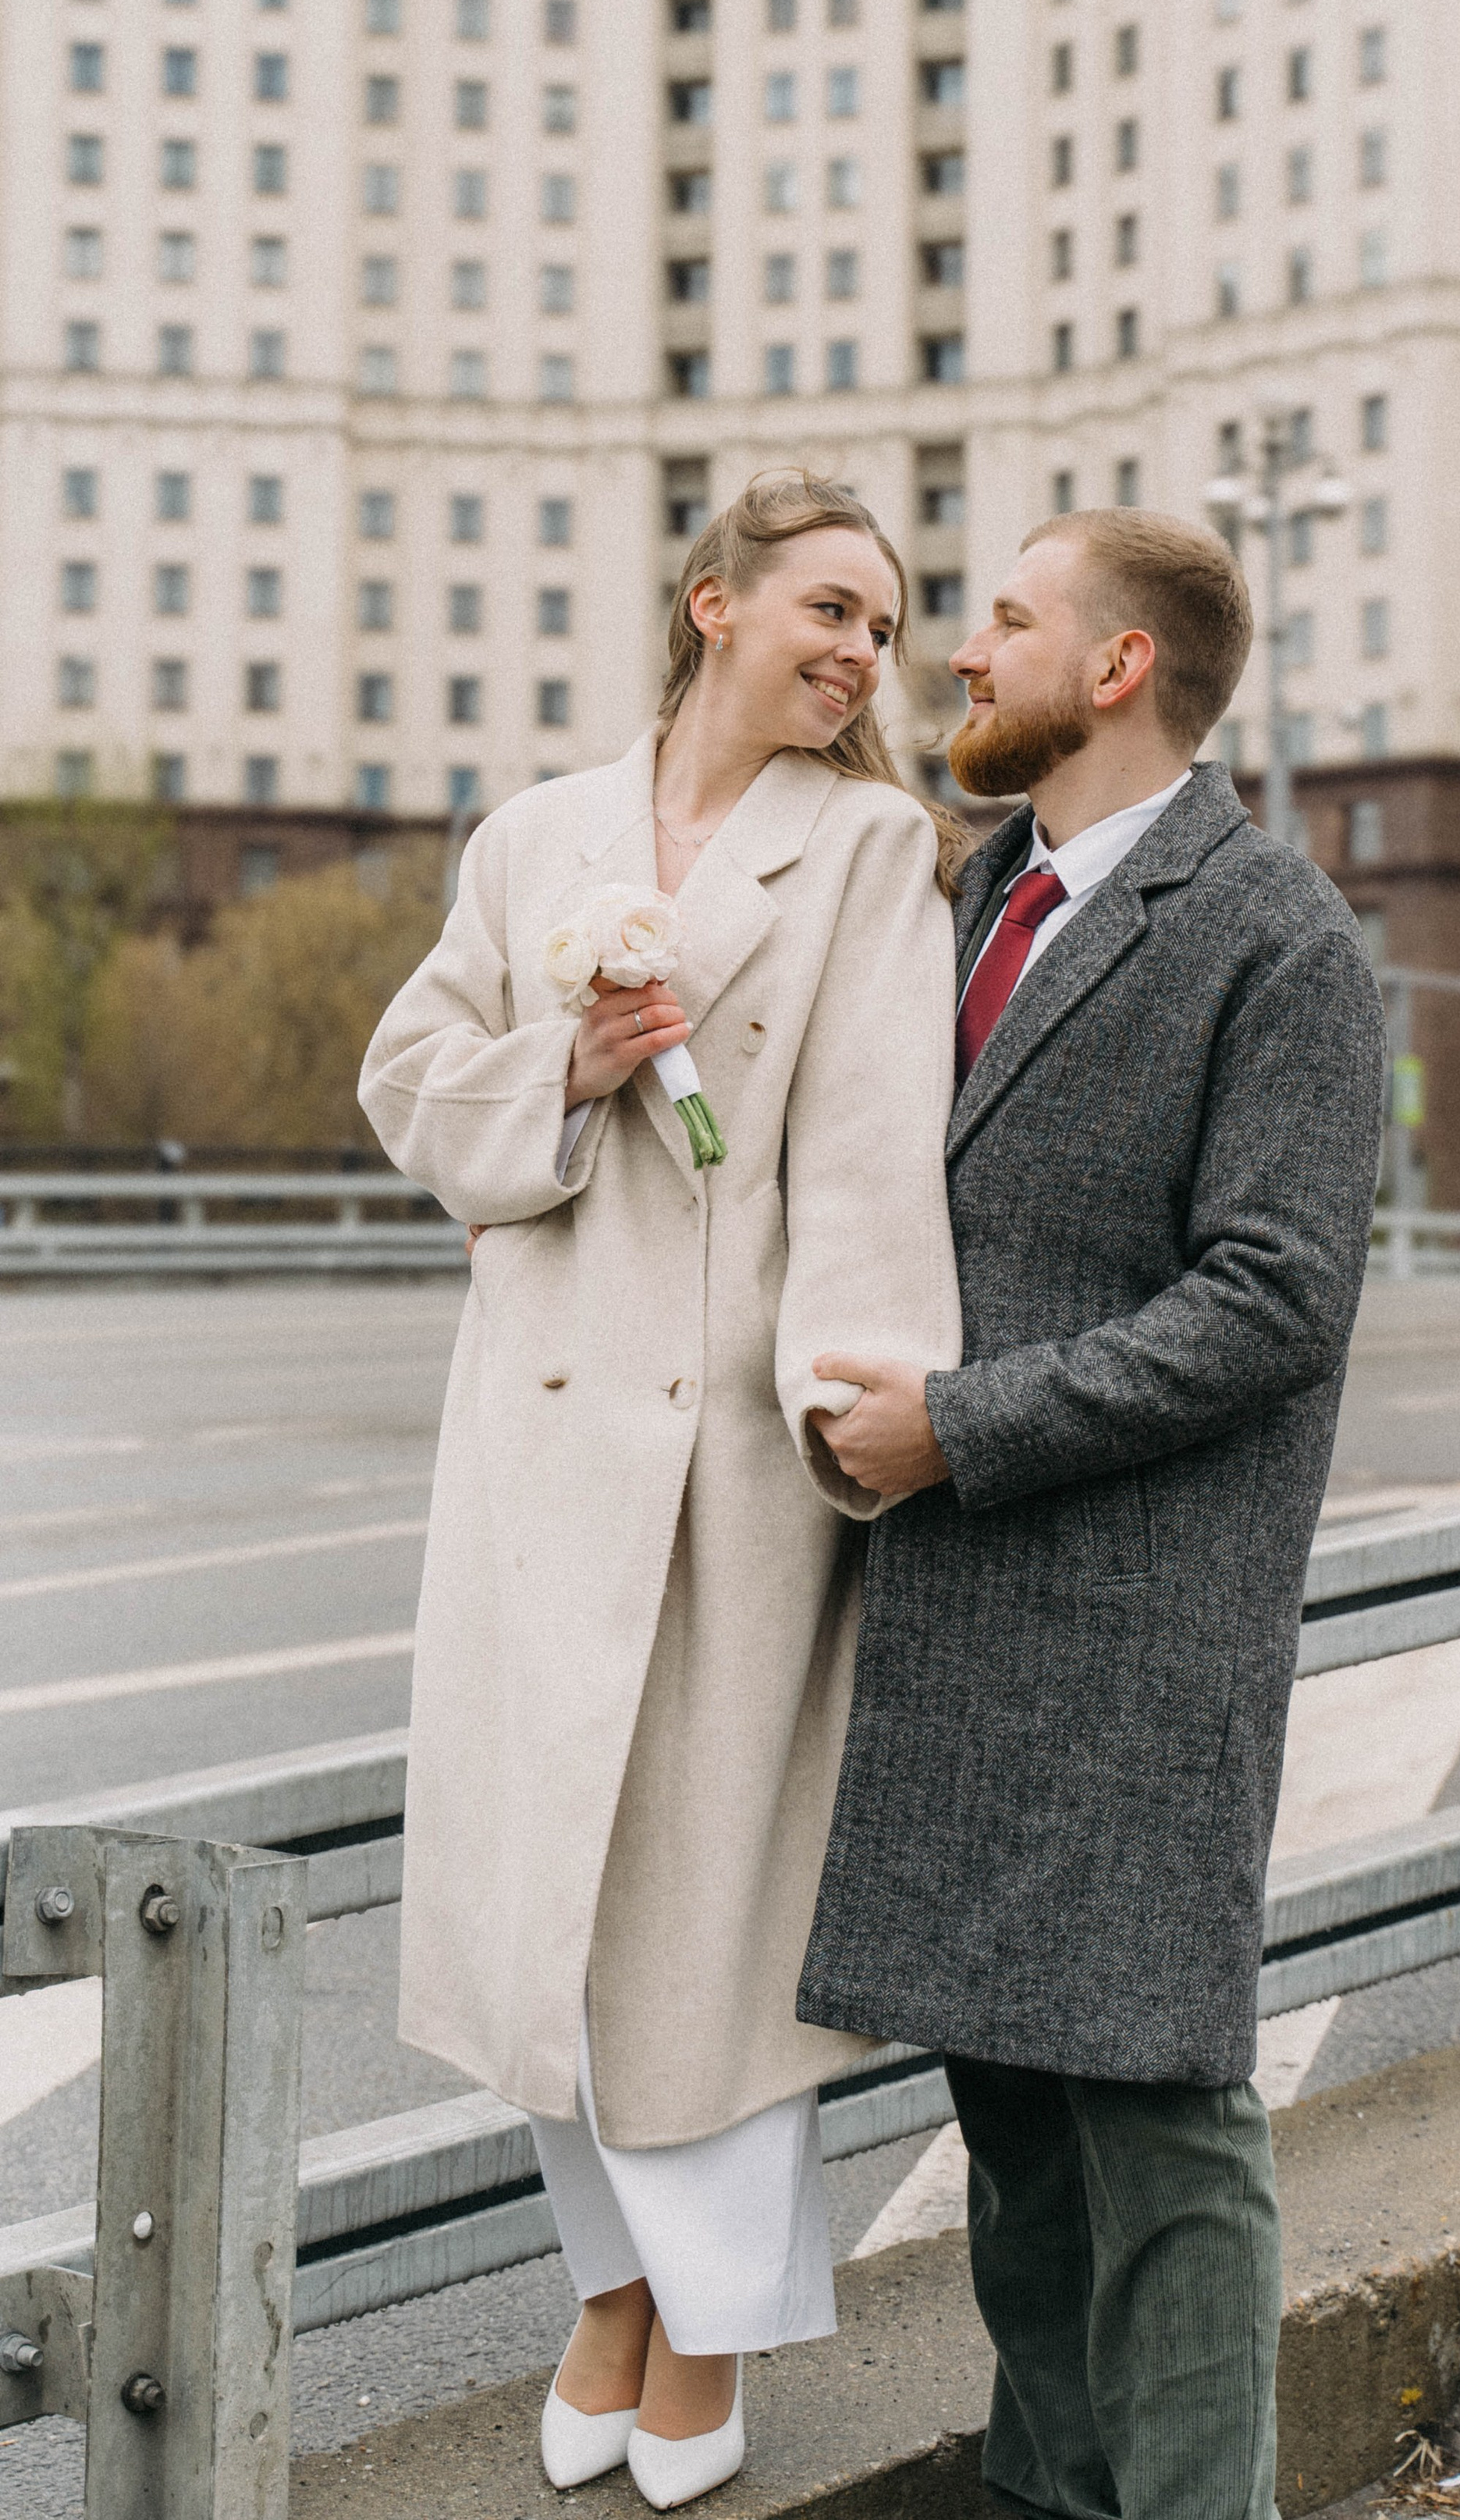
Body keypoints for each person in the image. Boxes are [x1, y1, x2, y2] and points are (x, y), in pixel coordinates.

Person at [359, 471, 962, 2508]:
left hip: (736, 1454)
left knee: (709, 1918)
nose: (863, 654)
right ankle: (607, 2288)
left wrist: (854, 1408)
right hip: (536, 1440)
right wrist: (574, 1063)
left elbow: (871, 1153)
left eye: (884, 628)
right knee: (548, 1906)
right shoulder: (537, 836)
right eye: (830, 609)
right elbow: (407, 1079)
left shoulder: (872, 851)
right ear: (715, 604)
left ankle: (709, 2318)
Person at [798, 506, 1384, 2520]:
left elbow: (1277, 1300)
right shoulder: (967, 894)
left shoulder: (1279, 935)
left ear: (1120, 666)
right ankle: (1052, 2495)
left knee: (1159, 2119)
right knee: (1014, 2121)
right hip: (951, 1614)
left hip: (1139, 1626)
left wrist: (962, 1429)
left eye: (1008, 617)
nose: (966, 652)